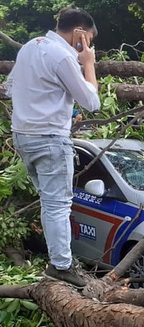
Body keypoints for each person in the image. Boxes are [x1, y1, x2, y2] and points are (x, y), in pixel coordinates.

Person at [5, 8, 101, 287]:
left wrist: (63, 110)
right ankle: (61, 265)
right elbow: (92, 101)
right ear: (80, 33)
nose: (89, 45)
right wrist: (88, 63)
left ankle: (58, 260)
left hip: (23, 136)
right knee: (59, 205)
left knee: (50, 203)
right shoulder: (62, 56)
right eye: (89, 39)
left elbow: (13, 89)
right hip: (49, 140)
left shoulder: (29, 47)